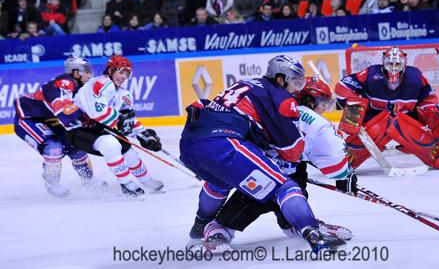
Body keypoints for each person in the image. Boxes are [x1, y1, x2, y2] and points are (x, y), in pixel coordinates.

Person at [180, 56, 346, 253]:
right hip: (224, 145)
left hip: (190, 144)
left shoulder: (246, 83)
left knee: (221, 180)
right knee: (284, 186)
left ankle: (200, 226)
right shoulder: (282, 99)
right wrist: (302, 157)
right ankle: (311, 231)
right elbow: (291, 152)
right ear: (280, 79)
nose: (296, 90)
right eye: (295, 82)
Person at [335, 47, 439, 170]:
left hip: (406, 121)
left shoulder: (415, 77)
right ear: (384, 61)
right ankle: (344, 160)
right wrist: (353, 106)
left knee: (419, 124)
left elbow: (428, 98)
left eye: (397, 64)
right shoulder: (371, 74)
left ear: (404, 64)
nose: (394, 67)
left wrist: (431, 112)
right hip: (374, 120)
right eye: (390, 63)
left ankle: (435, 152)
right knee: (376, 124)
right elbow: (343, 86)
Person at [68, 56, 164, 196]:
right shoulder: (100, 83)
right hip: (78, 129)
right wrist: (121, 120)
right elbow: (97, 113)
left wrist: (144, 135)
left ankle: (147, 180)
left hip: (100, 128)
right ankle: (126, 183)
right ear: (111, 70)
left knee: (129, 151)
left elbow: (127, 121)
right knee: (111, 144)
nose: (123, 76)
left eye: (126, 73)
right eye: (120, 71)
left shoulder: (124, 95)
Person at [14, 57, 106, 198]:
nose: (90, 74)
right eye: (87, 71)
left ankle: (88, 179)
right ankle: (52, 183)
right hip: (29, 118)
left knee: (77, 145)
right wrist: (83, 123)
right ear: (76, 73)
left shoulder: (81, 89)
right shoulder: (65, 82)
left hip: (52, 120)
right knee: (53, 148)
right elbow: (62, 109)